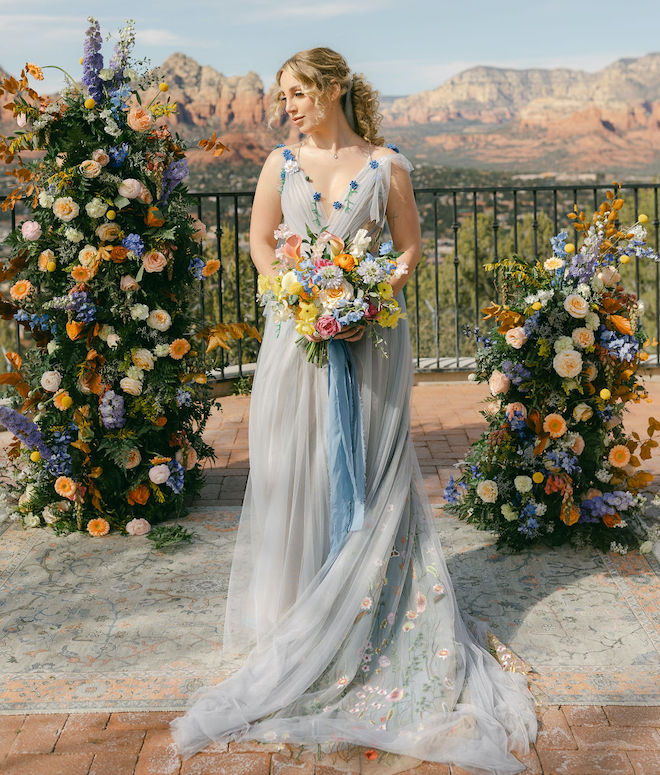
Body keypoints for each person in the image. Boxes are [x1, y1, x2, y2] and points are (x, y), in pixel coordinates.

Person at [170, 47, 537, 774]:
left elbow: (408, 248)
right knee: (298, 463)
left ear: (333, 88)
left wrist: (373, 287)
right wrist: (293, 292)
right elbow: (257, 241)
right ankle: (305, 612)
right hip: (296, 340)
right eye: (284, 97)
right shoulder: (278, 163)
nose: (290, 107)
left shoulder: (389, 166)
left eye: (300, 93)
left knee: (374, 465)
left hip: (372, 340)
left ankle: (375, 608)